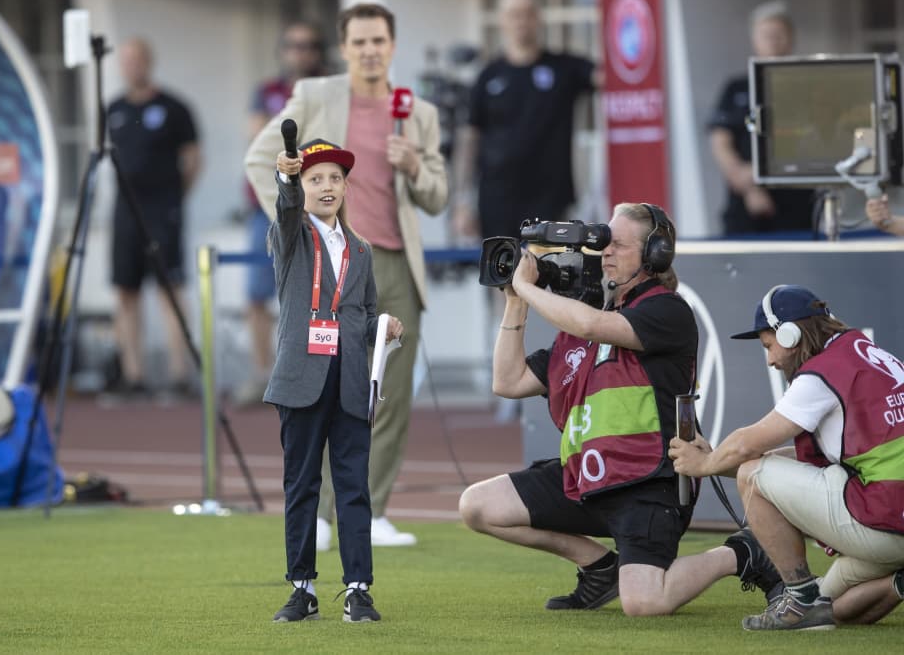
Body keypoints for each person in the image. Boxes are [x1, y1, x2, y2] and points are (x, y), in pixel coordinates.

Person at [459, 203, 783, 616]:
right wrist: (514, 300)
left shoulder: (666, 310)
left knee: (645, 603)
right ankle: (599, 567)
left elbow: (593, 326)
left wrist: (529, 287)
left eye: (619, 245)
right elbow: (507, 382)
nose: (605, 253)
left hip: (647, 485)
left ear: (655, 255)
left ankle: (740, 553)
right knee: (477, 506)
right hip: (587, 478)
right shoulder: (584, 324)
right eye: (604, 244)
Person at [245, 2, 447, 551]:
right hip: (330, 262)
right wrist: (297, 229)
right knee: (325, 389)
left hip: (395, 263)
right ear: (344, 47)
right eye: (359, 41)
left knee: (385, 393)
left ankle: (372, 509)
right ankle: (322, 516)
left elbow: (437, 195)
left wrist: (413, 166)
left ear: (393, 44)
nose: (369, 50)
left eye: (378, 40)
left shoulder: (418, 112)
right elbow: (258, 160)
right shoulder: (315, 96)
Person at [670, 284, 904, 630]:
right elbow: (801, 466)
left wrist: (705, 465)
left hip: (885, 521)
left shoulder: (822, 373)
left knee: (753, 472)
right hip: (892, 517)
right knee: (832, 605)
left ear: (791, 334)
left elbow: (749, 445)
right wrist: (717, 460)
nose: (770, 359)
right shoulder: (859, 350)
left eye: (769, 345)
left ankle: (799, 598)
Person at [265, 139, 403, 623]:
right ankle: (301, 589)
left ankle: (358, 590)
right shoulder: (291, 236)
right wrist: (284, 179)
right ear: (302, 187)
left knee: (353, 488)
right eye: (315, 178)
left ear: (346, 187)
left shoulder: (361, 249)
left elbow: (361, 314)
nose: (327, 186)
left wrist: (382, 326)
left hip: (349, 383)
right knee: (300, 485)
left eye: (335, 178)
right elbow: (284, 211)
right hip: (300, 380)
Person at [452, 0, 596, 241]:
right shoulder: (488, 76)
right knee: (502, 279)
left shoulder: (565, 68)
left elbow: (614, 76)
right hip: (497, 202)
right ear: (502, 21)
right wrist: (463, 201)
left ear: (538, 18)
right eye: (513, 14)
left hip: (551, 201)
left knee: (552, 277)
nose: (521, 21)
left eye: (528, 13)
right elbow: (469, 140)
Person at [234, 22, 328, 407]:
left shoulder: (328, 90)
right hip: (267, 206)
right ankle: (262, 373)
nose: (300, 52)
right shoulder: (268, 92)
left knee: (318, 293)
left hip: (320, 204)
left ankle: (312, 376)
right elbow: (258, 137)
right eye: (292, 45)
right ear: (282, 50)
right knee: (257, 294)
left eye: (307, 45)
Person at [107, 38, 201, 399]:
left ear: (149, 62)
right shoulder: (113, 108)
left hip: (164, 212)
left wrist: (174, 199)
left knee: (170, 290)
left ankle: (179, 375)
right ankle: (134, 375)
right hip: (124, 213)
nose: (132, 66)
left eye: (137, 59)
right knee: (126, 292)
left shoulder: (175, 108)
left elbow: (192, 160)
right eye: (126, 60)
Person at [708, 0, 816, 235]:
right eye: (767, 34)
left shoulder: (807, 88)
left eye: (779, 34)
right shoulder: (736, 88)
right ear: (754, 39)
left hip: (798, 205)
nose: (773, 41)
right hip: (744, 207)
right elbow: (720, 143)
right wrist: (749, 187)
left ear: (791, 37)